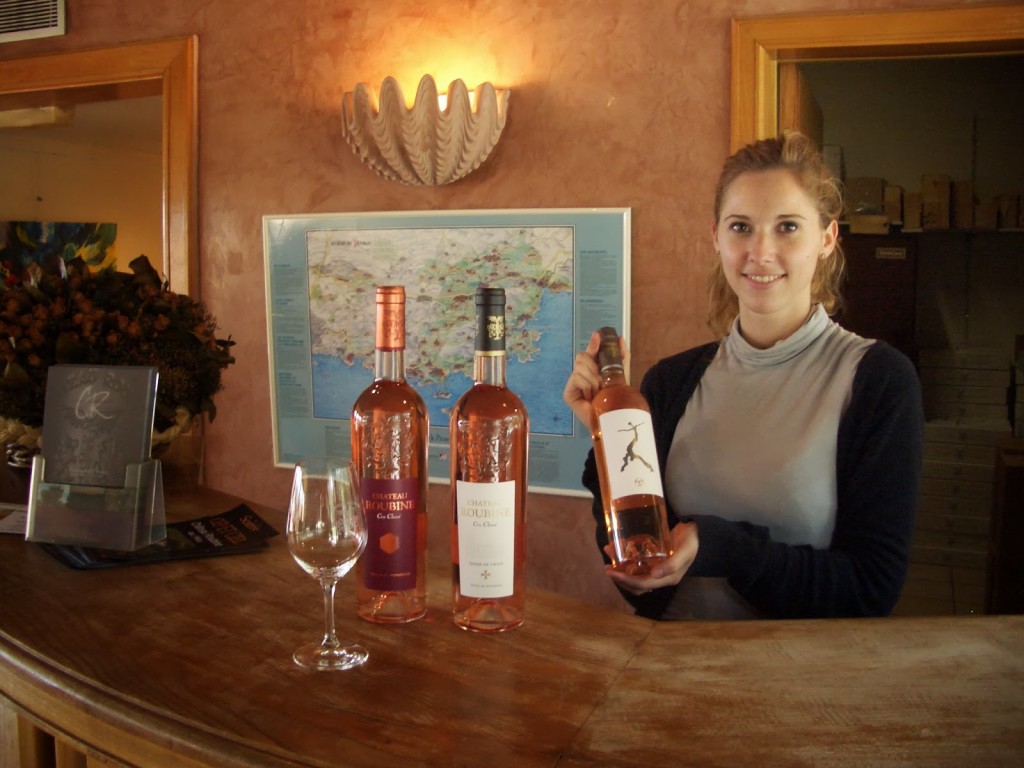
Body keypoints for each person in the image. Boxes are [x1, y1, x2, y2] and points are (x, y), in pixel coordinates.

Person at [563, 131, 923, 620]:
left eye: (788, 227)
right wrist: (606, 440)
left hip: (799, 685)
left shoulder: (877, 380)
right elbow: (642, 578)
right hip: (669, 673)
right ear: (716, 237)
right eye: (740, 227)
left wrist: (721, 547)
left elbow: (869, 588)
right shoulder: (671, 382)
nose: (761, 252)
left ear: (827, 238)